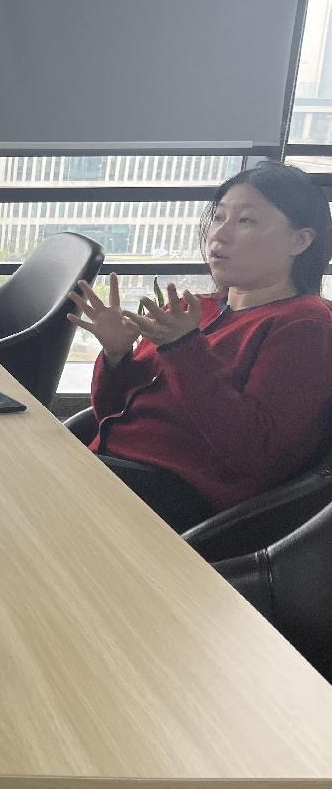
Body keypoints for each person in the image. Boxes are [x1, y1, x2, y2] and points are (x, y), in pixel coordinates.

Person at [68, 162, 332, 531]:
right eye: (218, 217)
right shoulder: (196, 309)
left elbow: (249, 451)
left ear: (300, 241)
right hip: (111, 467)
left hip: (179, 501)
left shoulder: (305, 325)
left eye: (246, 221)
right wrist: (116, 356)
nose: (219, 234)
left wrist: (183, 349)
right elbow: (111, 414)